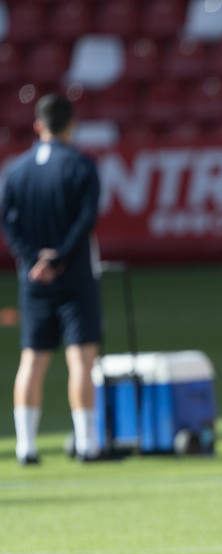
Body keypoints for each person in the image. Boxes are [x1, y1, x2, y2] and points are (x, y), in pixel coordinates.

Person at [2, 94, 103, 465]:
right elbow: (86, 219)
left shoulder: (15, 170)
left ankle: (25, 446)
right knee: (81, 359)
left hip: (32, 277)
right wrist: (58, 256)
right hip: (74, 273)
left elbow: (8, 221)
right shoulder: (80, 165)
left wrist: (33, 258)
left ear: (38, 125)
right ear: (70, 124)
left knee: (32, 358)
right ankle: (87, 443)